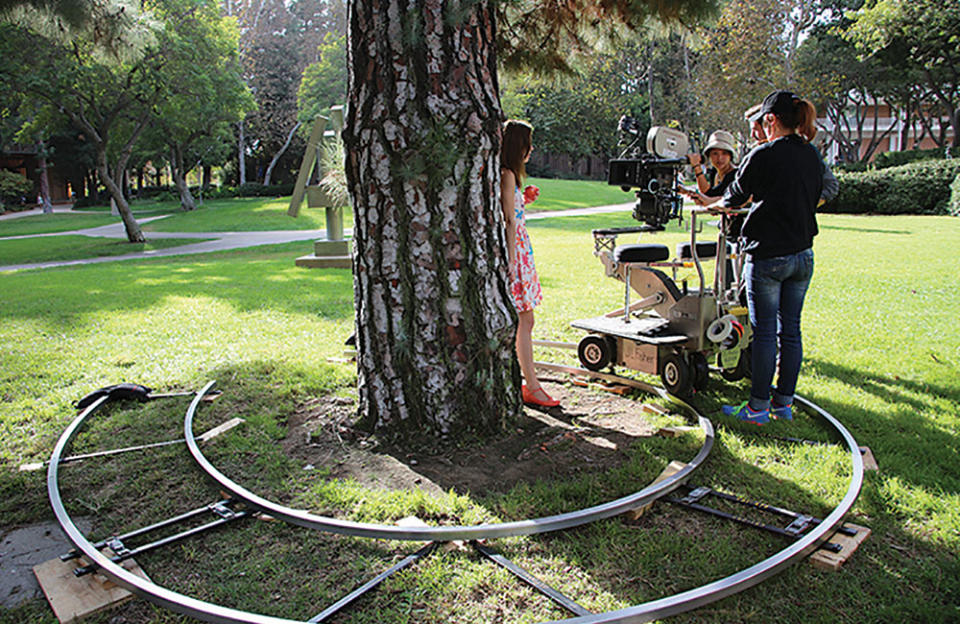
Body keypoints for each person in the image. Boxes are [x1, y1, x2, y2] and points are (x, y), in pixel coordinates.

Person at [707, 90, 825, 425]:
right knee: (792, 332)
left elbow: (735, 195)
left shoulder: (764, 154)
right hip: (803, 255)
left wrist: (716, 205)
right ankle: (783, 404)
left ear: (770, 120)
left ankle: (758, 408)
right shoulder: (811, 154)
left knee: (764, 332)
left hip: (768, 256)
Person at [500, 120, 559, 408]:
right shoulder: (507, 174)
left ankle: (529, 383)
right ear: (517, 146)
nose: (531, 149)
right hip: (517, 253)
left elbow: (513, 211)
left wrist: (526, 199)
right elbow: (509, 220)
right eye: (528, 143)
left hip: (520, 251)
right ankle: (531, 386)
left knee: (526, 319)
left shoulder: (510, 176)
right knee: (525, 319)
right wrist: (512, 259)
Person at [680, 130, 739, 207]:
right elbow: (708, 194)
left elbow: (710, 196)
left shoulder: (735, 175)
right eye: (715, 154)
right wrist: (688, 192)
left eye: (724, 153)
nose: (719, 158)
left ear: (730, 156)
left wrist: (697, 166)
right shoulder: (715, 173)